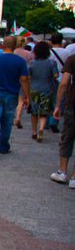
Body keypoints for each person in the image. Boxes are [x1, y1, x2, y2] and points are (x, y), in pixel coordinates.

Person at [0, 36, 30, 158]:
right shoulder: (20, 61)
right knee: (7, 122)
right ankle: (4, 146)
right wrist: (27, 95)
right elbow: (24, 79)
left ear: (2, 45)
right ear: (15, 46)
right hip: (12, 93)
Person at [51, 54, 75, 188]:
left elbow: (64, 83)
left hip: (72, 104)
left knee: (67, 137)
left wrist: (58, 104)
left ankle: (62, 171)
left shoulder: (72, 59)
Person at [27, 41, 59, 142]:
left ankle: (34, 131)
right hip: (47, 89)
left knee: (34, 112)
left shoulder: (32, 63)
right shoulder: (51, 62)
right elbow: (56, 75)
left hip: (34, 89)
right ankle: (41, 129)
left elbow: (28, 76)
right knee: (44, 112)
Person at [13, 36, 34, 129]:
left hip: (12, 77)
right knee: (21, 100)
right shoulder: (29, 54)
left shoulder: (12, 52)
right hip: (23, 77)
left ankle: (12, 116)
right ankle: (18, 117)